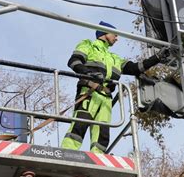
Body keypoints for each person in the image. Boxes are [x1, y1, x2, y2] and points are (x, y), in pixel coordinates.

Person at [61, 21, 171, 154]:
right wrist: (88, 73)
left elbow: (136, 68)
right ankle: (67, 152)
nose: (117, 38)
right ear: (104, 32)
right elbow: (74, 62)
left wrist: (157, 57)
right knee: (79, 124)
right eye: (115, 34)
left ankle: (98, 157)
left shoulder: (115, 58)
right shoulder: (88, 45)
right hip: (89, 92)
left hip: (106, 98)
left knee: (103, 132)